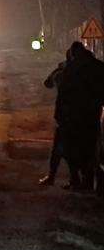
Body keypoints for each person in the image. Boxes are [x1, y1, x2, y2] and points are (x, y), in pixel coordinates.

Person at [56, 41, 104, 190]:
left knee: (72, 150)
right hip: (92, 116)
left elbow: (63, 93)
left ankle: (77, 180)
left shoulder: (71, 69)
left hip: (73, 117)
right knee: (91, 150)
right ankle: (88, 182)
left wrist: (60, 114)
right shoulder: (99, 67)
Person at [39, 49, 72, 185]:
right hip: (90, 118)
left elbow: (48, 83)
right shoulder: (95, 68)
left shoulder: (63, 72)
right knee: (89, 150)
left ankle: (52, 177)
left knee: (60, 149)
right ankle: (84, 181)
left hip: (66, 117)